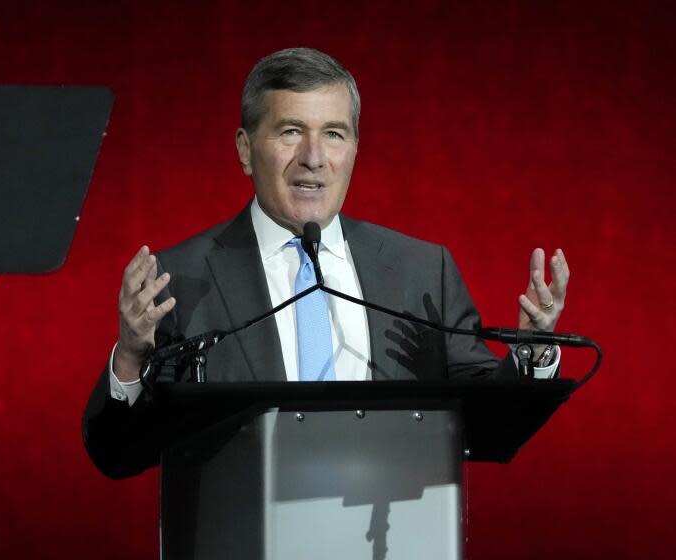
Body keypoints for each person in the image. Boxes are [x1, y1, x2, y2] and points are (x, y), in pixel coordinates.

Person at [82, 48, 569, 479]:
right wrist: (130, 358)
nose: (313, 158)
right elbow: (119, 455)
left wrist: (533, 355)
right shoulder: (182, 279)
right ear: (245, 150)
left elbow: (487, 424)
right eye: (291, 131)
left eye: (334, 134)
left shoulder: (421, 270)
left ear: (354, 149)